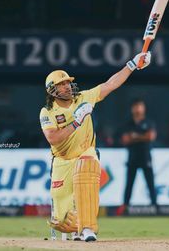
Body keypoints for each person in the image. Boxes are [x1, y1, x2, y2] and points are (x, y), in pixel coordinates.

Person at [39, 51, 151, 242]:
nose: (67, 86)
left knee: (88, 165)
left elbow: (110, 84)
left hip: (85, 152)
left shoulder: (83, 97)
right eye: (62, 84)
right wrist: (76, 121)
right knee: (63, 220)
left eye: (68, 82)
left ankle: (88, 228)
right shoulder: (47, 112)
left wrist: (133, 64)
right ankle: (76, 229)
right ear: (52, 90)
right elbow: (53, 138)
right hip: (62, 160)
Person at [117, 99, 157, 215]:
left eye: (140, 106)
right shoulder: (128, 123)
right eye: (136, 107)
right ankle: (125, 207)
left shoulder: (149, 122)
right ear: (132, 109)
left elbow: (151, 137)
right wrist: (141, 136)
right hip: (132, 158)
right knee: (129, 184)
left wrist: (134, 137)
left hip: (146, 157)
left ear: (143, 108)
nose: (138, 109)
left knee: (150, 184)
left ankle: (155, 207)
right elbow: (125, 139)